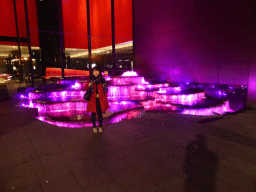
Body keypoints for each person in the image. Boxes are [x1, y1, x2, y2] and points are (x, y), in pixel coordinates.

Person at [84, 67, 109, 133]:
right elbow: (85, 88)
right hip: (92, 99)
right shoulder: (90, 79)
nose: (95, 72)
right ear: (92, 72)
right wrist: (88, 85)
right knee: (93, 114)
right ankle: (94, 126)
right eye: (94, 71)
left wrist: (105, 100)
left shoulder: (103, 80)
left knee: (100, 113)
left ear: (99, 72)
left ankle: (100, 126)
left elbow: (105, 90)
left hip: (100, 99)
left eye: (97, 71)